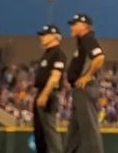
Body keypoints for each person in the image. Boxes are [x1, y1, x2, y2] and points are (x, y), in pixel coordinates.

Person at [64, 14, 104, 153]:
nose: (71, 27)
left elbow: (99, 57)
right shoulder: (82, 42)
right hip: (79, 89)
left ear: (84, 26)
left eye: (75, 24)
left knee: (88, 128)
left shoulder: (88, 38)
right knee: (75, 129)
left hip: (85, 88)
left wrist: (87, 76)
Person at [33, 25, 67, 153]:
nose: (42, 37)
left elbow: (55, 77)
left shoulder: (58, 53)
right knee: (40, 131)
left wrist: (45, 94)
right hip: (41, 91)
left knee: (49, 130)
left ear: (54, 36)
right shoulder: (47, 54)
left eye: (45, 34)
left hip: (49, 93)